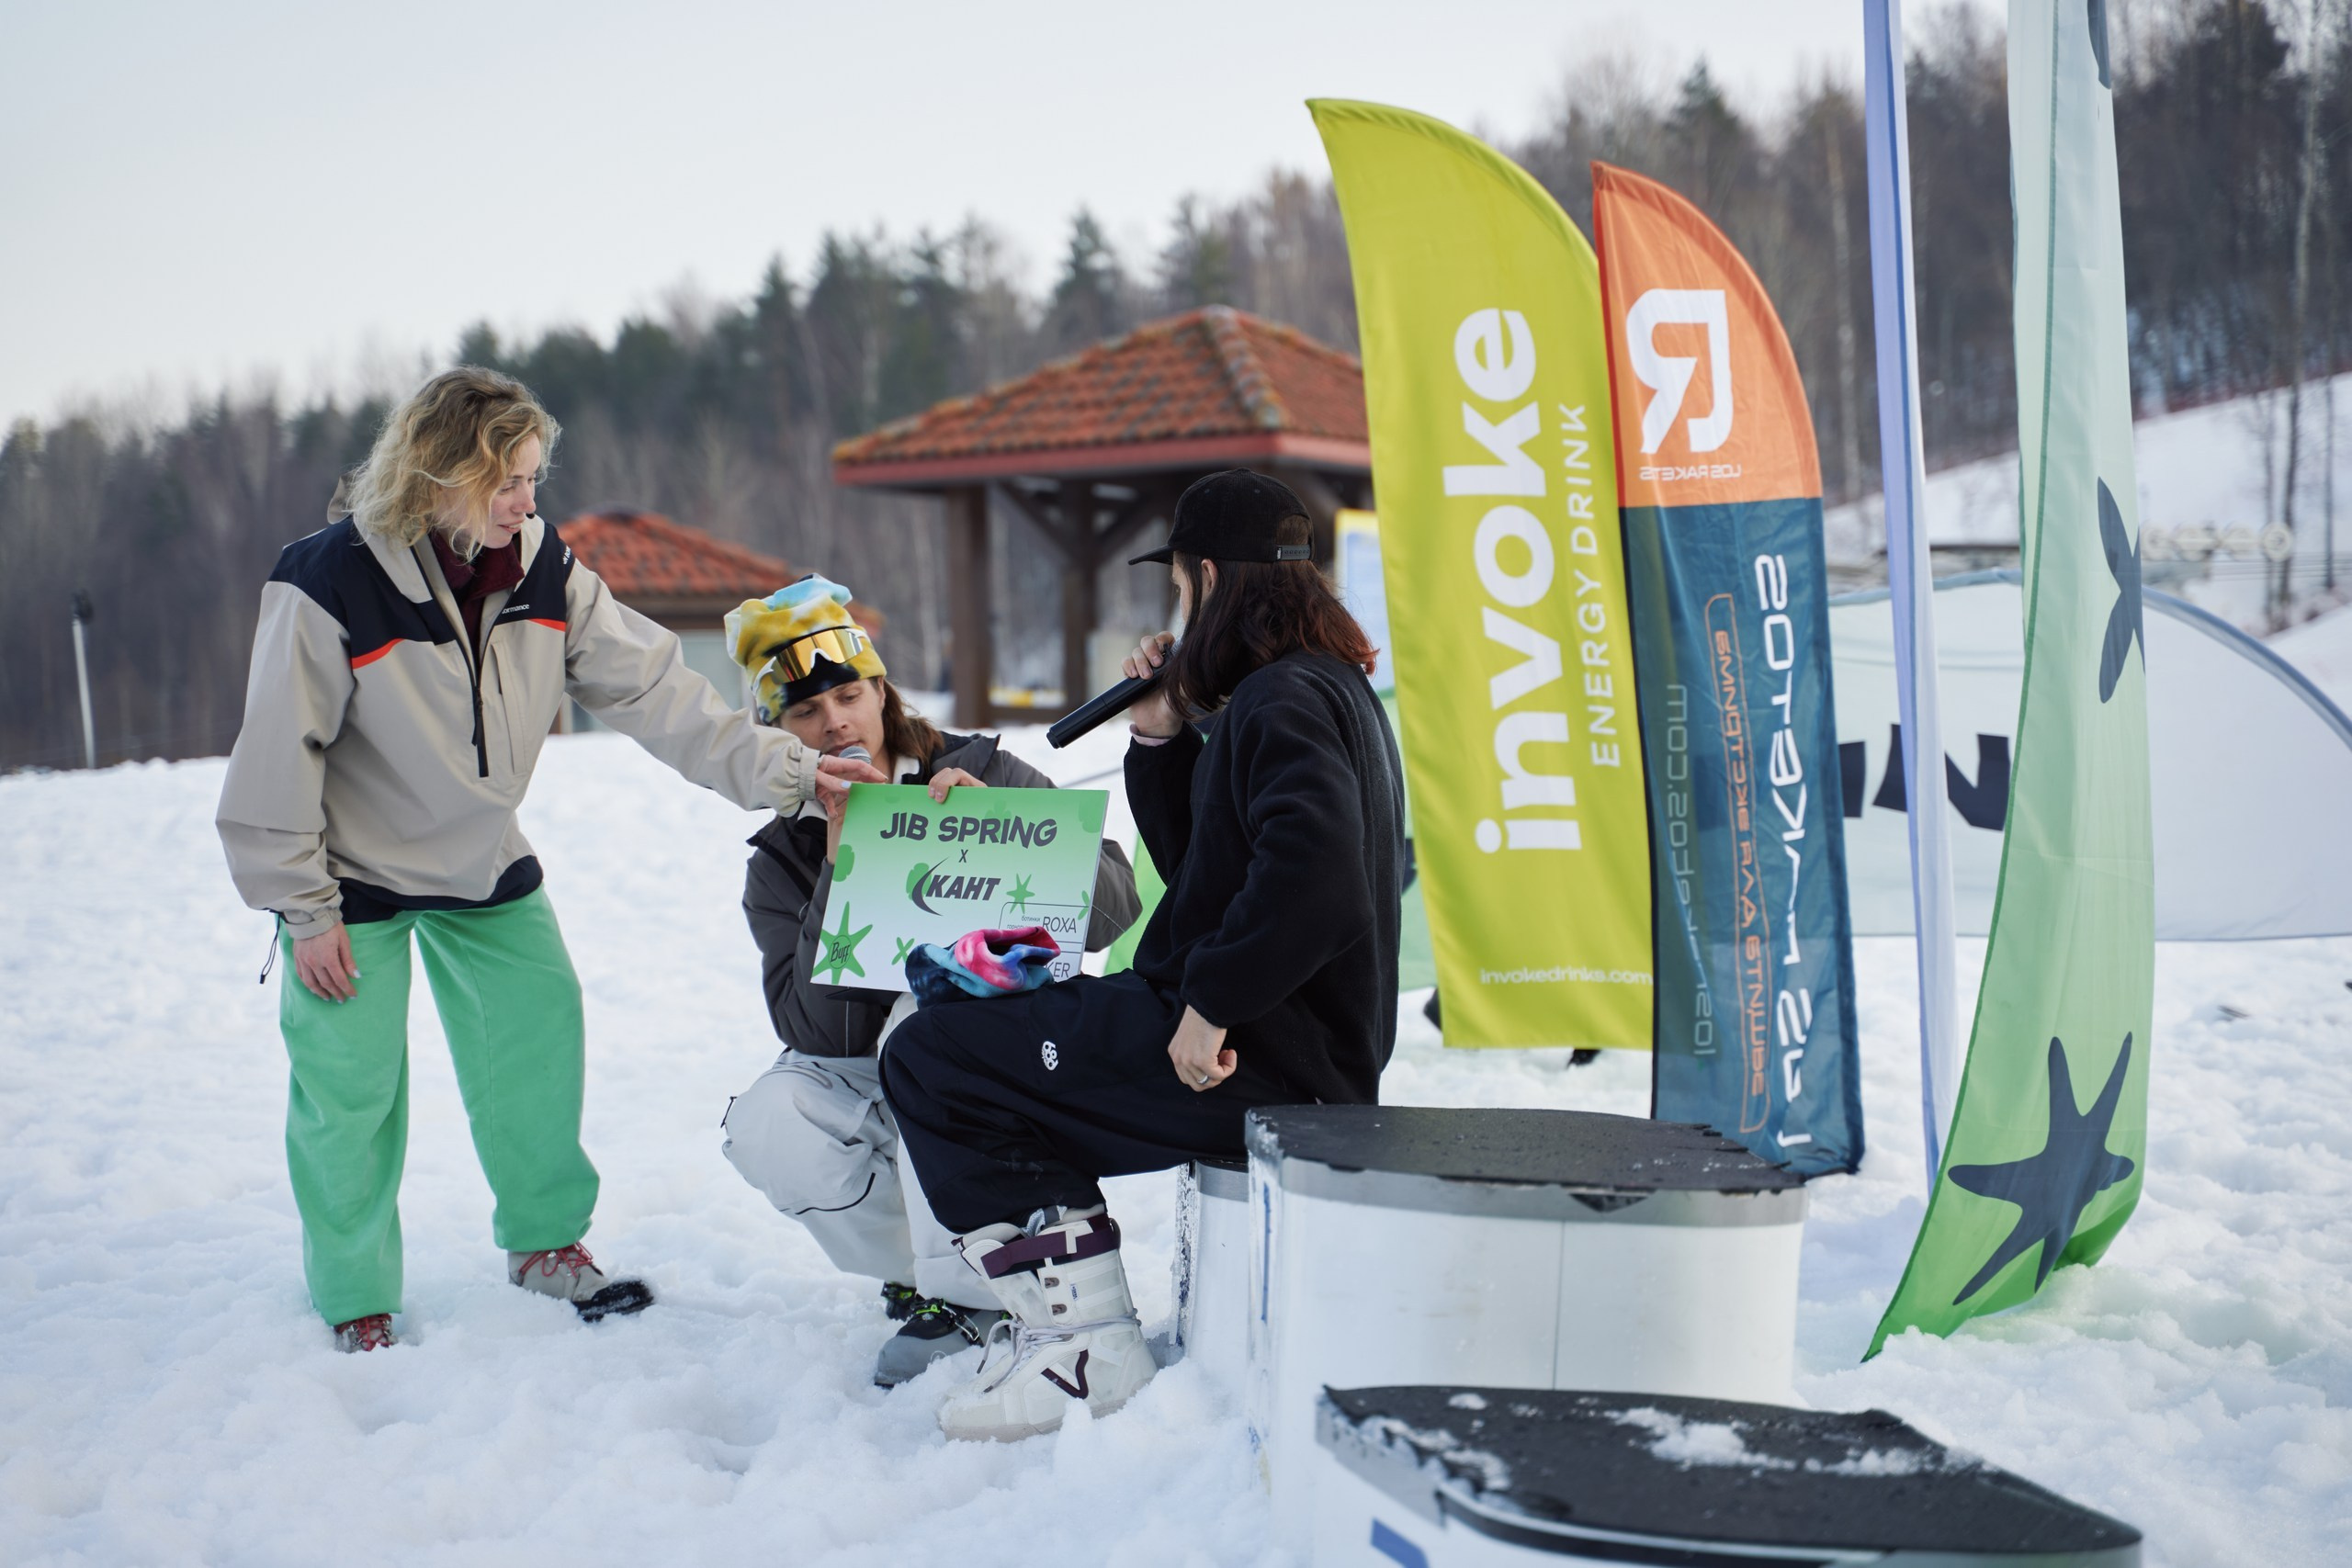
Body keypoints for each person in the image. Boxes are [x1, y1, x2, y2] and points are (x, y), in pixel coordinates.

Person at [215, 367, 880, 1354]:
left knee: (537, 1045)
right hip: (349, 879)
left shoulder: (541, 570)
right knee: (350, 1093)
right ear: (439, 474)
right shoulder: (326, 583)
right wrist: (302, 911)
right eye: (508, 482)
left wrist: (794, 771)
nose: (529, 501)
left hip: (484, 863)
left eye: (534, 480)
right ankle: (356, 1294)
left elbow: (662, 694)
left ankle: (545, 1245)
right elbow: (275, 758)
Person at [879, 468, 1406, 1440]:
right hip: (1270, 1041)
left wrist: (1211, 1003)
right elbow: (1216, 875)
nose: (1176, 605)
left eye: (1177, 587)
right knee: (948, 1015)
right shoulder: (1308, 693)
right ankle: (1057, 1316)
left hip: (1256, 1057)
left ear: (1207, 576)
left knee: (931, 1060)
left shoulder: (1282, 702)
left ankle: (1088, 1344)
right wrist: (1162, 741)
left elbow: (1318, 877)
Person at [715, 575, 1141, 1388]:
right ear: (780, 735)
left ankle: (963, 1292)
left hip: (1014, 1070)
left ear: (881, 690)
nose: (834, 720)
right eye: (805, 712)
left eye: (847, 693)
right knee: (771, 1120)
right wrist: (845, 872)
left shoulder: (981, 769)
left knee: (927, 1004)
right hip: (881, 1077)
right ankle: (963, 1270)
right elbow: (814, 1034)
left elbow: (1114, 908)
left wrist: (999, 837)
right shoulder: (783, 855)